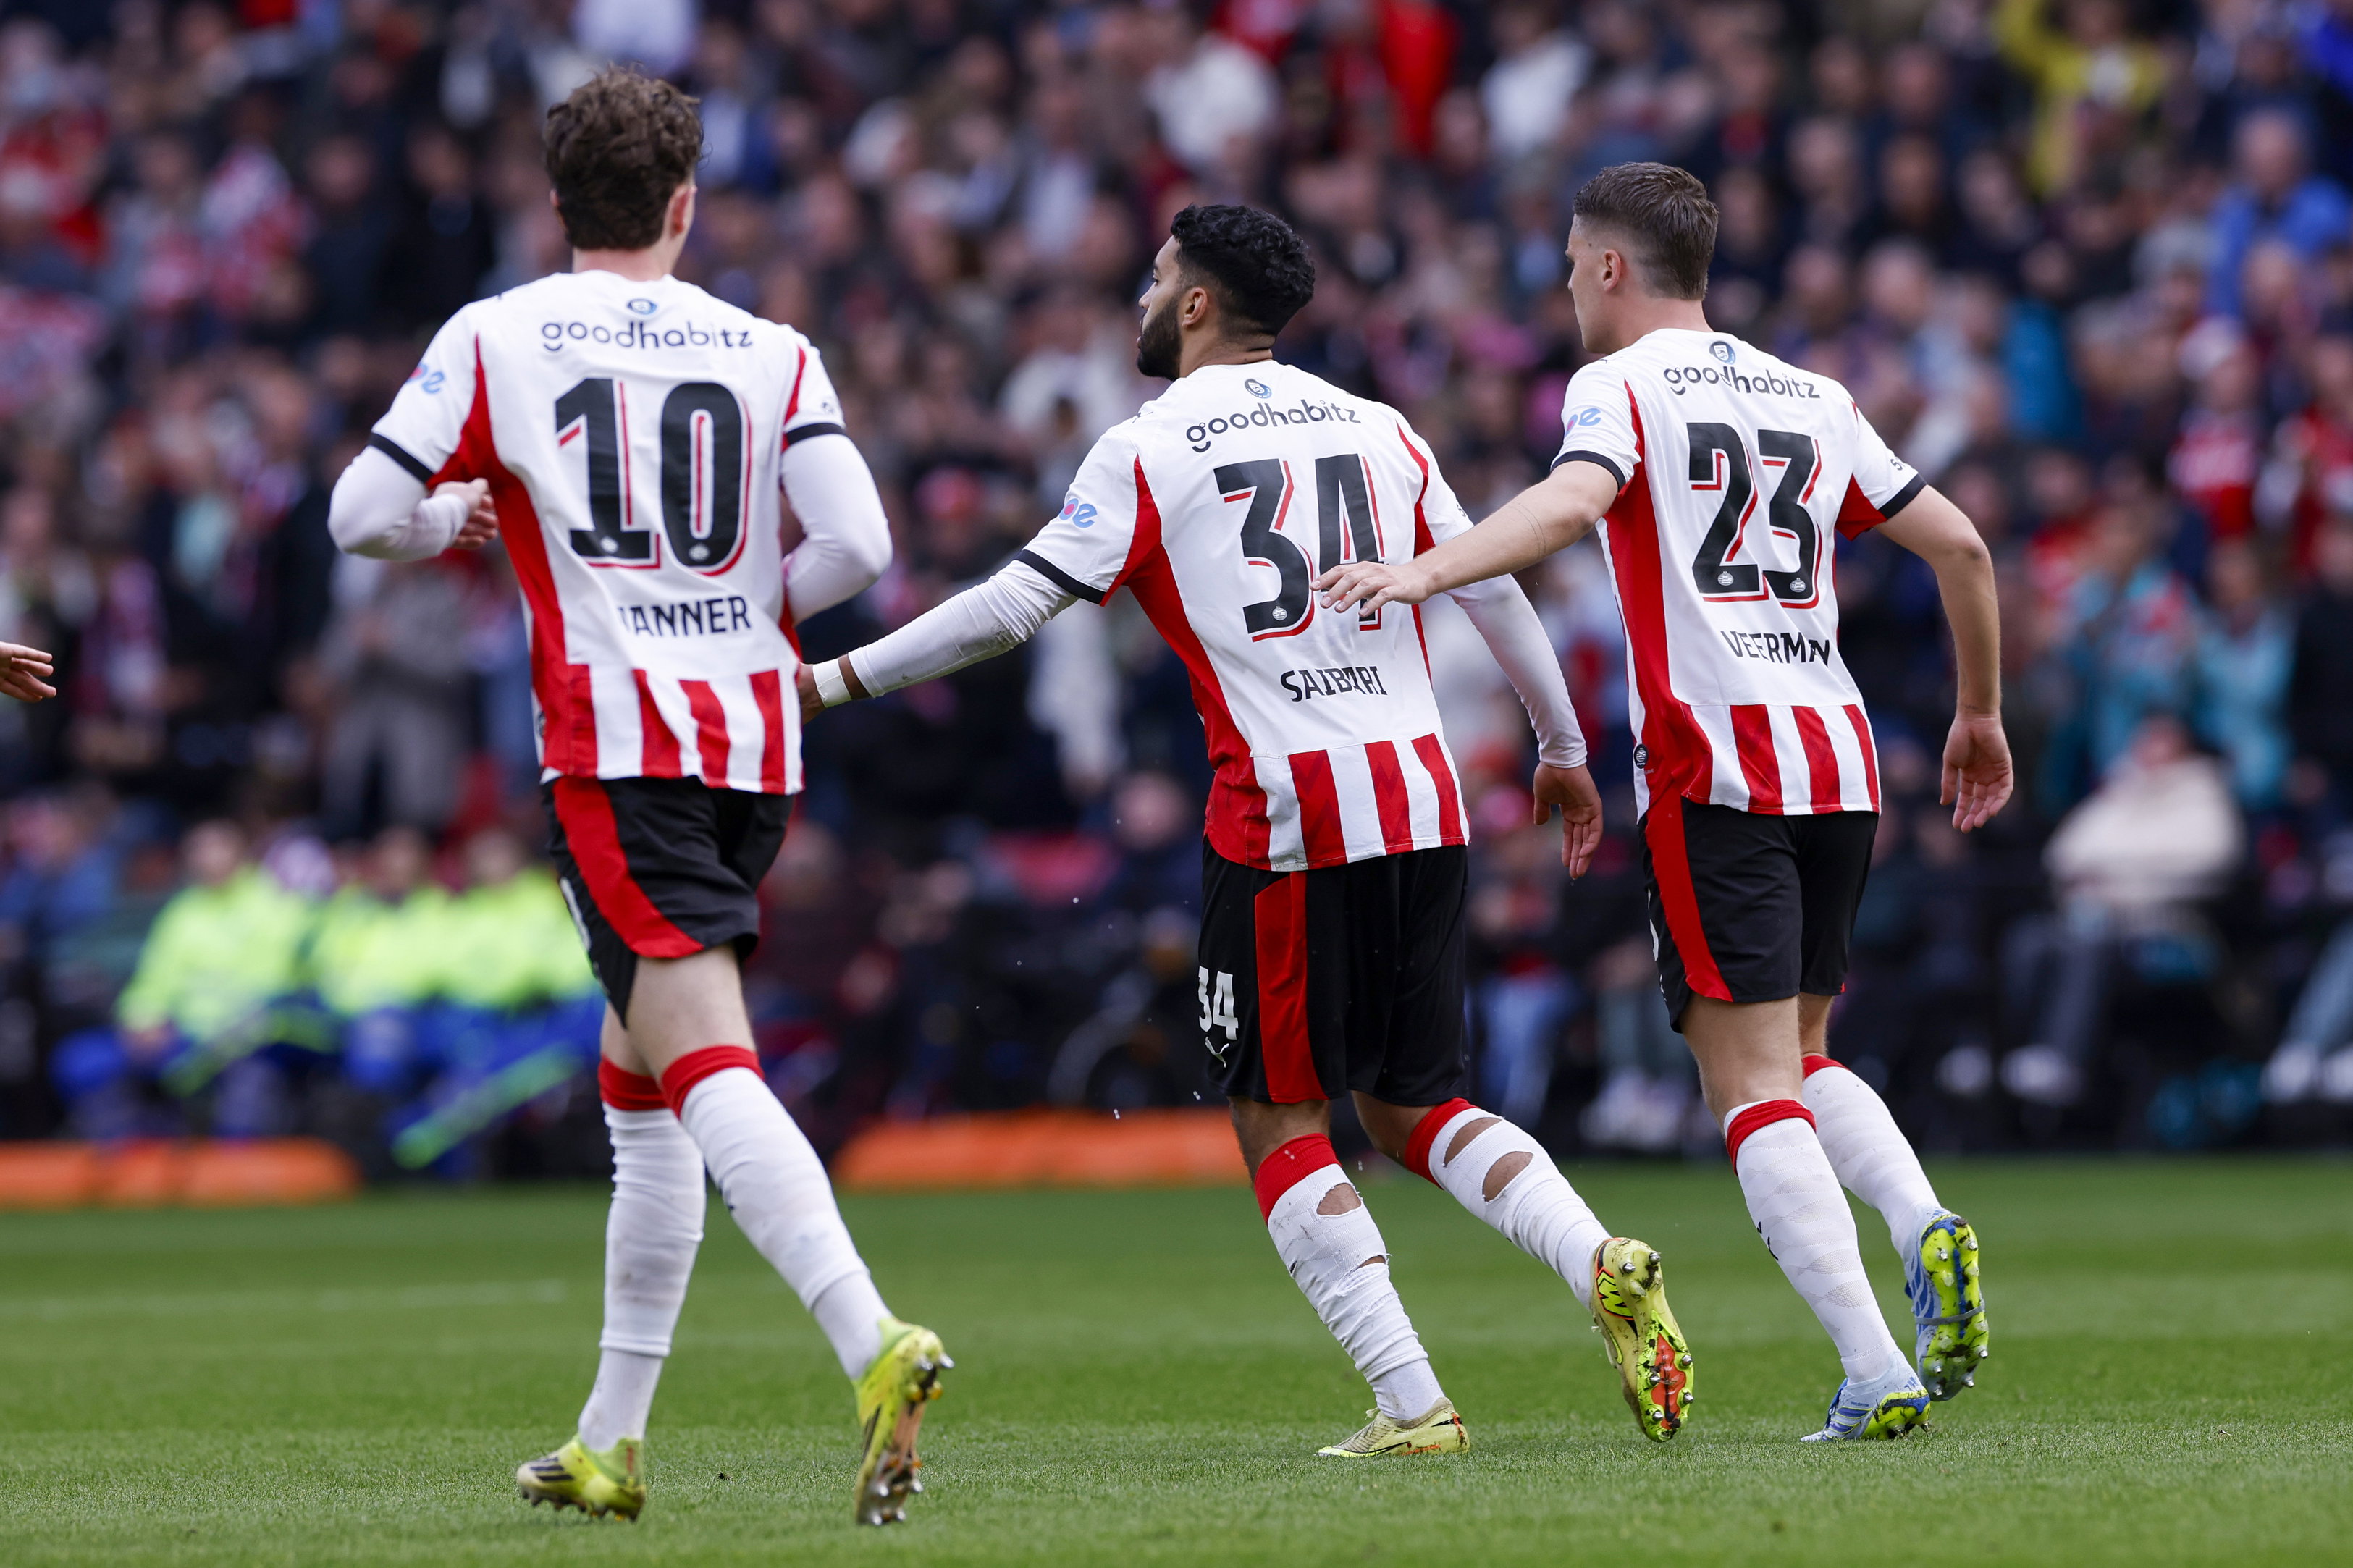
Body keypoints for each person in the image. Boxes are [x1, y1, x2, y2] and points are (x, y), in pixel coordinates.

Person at [802, 203, 1693, 1458]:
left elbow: (1011, 608)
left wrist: (830, 681)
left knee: (1279, 1117)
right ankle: (1597, 1251)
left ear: (1199, 304)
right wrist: (1558, 747)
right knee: (1411, 1102)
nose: (1143, 299)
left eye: (1157, 278)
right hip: (1422, 796)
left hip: (1285, 813)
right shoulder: (1379, 427)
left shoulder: (1149, 445)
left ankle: (1409, 1401)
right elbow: (1488, 576)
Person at [325, 69, 939, 1527]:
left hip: (616, 747)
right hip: (751, 749)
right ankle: (611, 1439)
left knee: (700, 1059)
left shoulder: (498, 331)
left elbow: (358, 517)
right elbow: (854, 544)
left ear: (554, 209)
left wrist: (443, 519)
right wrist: (739, 618)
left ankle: (872, 1342)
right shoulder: (772, 349)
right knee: (640, 1090)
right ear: (685, 205)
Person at [1317, 163, 2009, 1441]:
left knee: (1744, 1085)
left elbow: (1572, 501)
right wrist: (1977, 713)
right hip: (1838, 756)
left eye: (1572, 259)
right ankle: (1919, 1225)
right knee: (1800, 1056)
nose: (1567, 282)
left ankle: (1874, 1369)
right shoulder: (1813, 393)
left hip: (1717, 768)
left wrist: (1425, 568)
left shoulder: (1617, 385)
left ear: (1609, 267)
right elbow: (1962, 546)